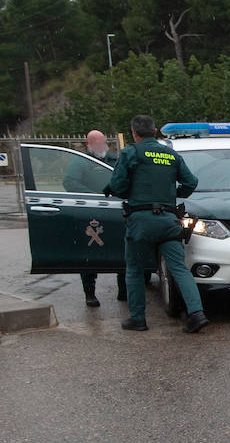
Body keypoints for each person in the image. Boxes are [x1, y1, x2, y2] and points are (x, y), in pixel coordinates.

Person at [105, 115, 209, 333]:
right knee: (179, 268)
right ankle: (197, 314)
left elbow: (117, 185)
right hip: (168, 220)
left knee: (134, 269)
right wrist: (173, 193)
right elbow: (191, 182)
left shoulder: (131, 152)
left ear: (134, 133)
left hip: (140, 221)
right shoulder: (171, 154)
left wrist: (131, 191)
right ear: (155, 131)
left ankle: (138, 319)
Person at [64, 130, 127, 307]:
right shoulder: (80, 161)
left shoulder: (115, 160)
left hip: (115, 211)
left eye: (104, 142)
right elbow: (70, 183)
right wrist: (94, 196)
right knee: (89, 255)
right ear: (88, 144)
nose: (102, 146)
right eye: (98, 143)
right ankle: (90, 294)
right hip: (90, 211)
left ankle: (124, 291)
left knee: (122, 251)